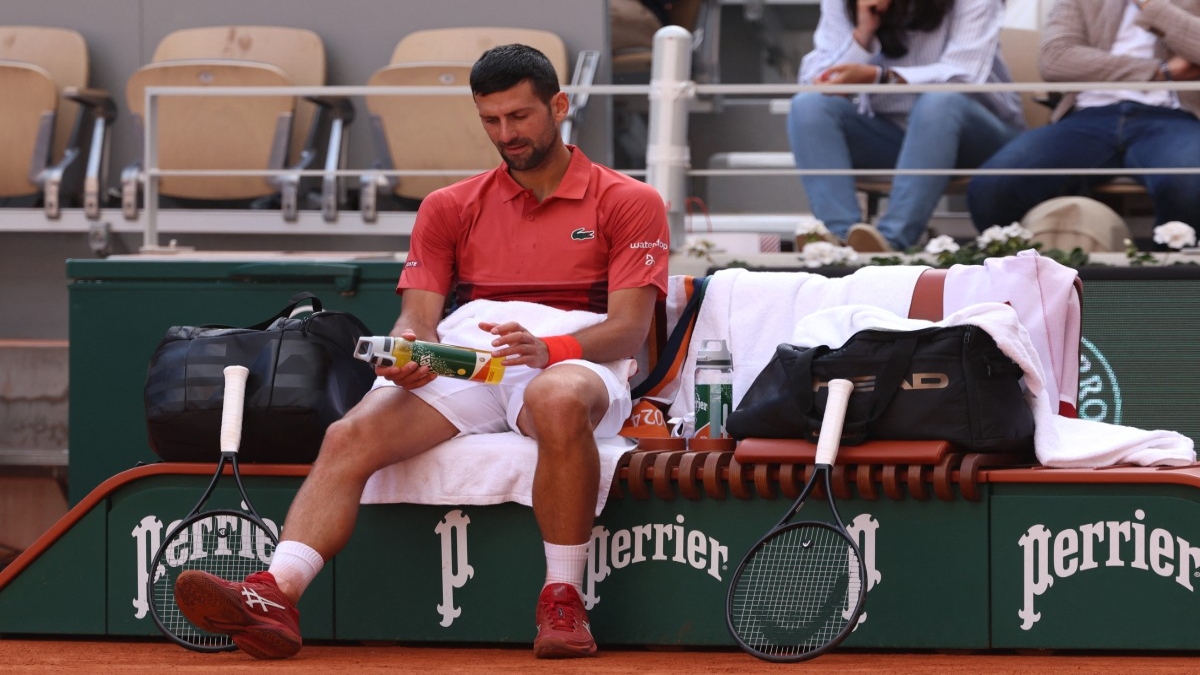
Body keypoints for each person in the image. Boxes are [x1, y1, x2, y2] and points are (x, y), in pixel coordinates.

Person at [172, 43, 670, 660]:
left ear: (559, 106)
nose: (506, 134)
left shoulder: (629, 199)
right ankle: (276, 593)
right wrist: (409, 353)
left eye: (520, 117)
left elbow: (626, 328)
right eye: (491, 120)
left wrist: (549, 348)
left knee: (559, 398)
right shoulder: (448, 206)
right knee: (349, 436)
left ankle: (563, 600)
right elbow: (418, 316)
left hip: (575, 355)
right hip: (472, 354)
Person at [787, 0, 1026, 252]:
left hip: (979, 138)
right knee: (809, 105)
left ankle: (892, 242)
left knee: (939, 101)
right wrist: (862, 35)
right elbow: (814, 80)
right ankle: (842, 243)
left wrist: (878, 76)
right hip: (894, 139)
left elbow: (963, 74)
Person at [967, 0, 1200, 233]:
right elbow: (1055, 60)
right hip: (1087, 117)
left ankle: (1168, 267)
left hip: (1174, 116)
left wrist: (1151, 6)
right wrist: (1160, 72)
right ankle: (1032, 265)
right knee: (992, 188)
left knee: (1191, 183)